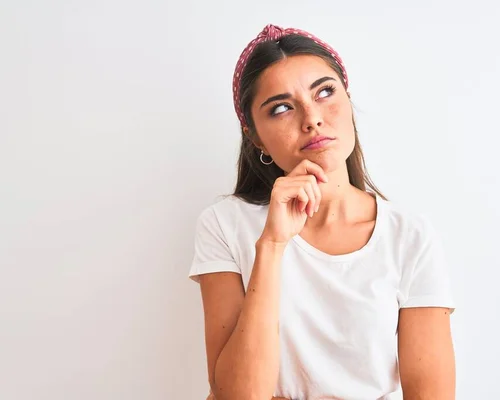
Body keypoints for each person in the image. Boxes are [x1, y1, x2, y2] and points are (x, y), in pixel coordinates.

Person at [189, 24, 456, 400]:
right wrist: (272, 244)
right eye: (281, 108)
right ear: (254, 136)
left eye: (325, 92)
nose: (312, 118)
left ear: (348, 101)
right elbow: (238, 395)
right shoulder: (224, 225)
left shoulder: (408, 236)